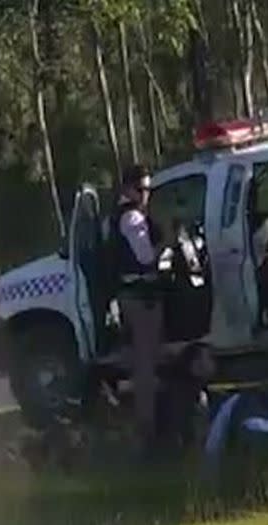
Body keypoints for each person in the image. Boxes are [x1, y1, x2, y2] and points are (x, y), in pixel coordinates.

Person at [110, 164, 165, 446]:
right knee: (145, 365)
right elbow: (146, 258)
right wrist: (167, 241)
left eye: (148, 189)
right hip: (139, 298)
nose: (146, 195)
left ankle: (150, 423)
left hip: (136, 296)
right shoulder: (130, 218)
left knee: (146, 362)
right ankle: (147, 429)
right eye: (141, 189)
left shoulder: (128, 215)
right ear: (128, 189)